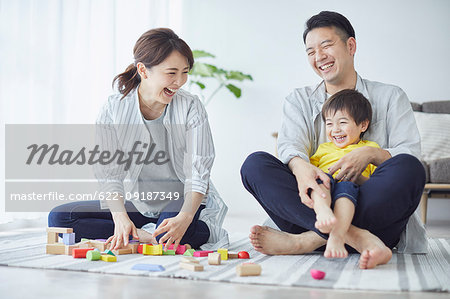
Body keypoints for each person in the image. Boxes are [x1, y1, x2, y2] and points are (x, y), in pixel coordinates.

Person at [240, 11, 426, 269]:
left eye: (326, 45)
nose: (319, 57)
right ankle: (360, 238)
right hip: (318, 205)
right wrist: (302, 170)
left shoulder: (390, 96)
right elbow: (290, 147)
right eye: (310, 51)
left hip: (374, 208)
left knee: (410, 167)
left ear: (351, 46)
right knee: (255, 165)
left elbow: (410, 152)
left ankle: (307, 241)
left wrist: (370, 154)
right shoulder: (299, 99)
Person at [48, 28, 229, 251]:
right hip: (138, 204)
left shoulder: (191, 106)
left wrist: (185, 216)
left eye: (185, 72)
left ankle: (200, 230)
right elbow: (109, 172)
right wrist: (120, 218)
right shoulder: (114, 108)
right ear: (143, 70)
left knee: (170, 231)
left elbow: (198, 170)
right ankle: (143, 234)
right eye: (171, 73)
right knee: (60, 218)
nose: (180, 81)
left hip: (181, 200)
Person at [310, 89, 380, 259]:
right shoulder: (323, 149)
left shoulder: (370, 149)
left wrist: (360, 179)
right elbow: (310, 173)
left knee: (346, 188)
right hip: (325, 184)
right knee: (319, 182)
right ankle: (323, 212)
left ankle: (337, 236)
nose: (335, 130)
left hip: (351, 189)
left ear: (363, 125)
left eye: (342, 122)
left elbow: (376, 184)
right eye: (329, 123)